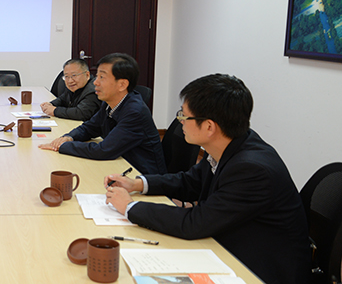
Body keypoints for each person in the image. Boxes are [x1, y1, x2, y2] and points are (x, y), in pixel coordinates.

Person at [105, 74, 309, 284]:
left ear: (209, 127)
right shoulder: (232, 142)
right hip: (230, 245)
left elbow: (196, 223)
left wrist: (130, 207)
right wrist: (137, 184)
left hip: (260, 270)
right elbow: (190, 181)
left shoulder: (252, 170)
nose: (180, 121)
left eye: (184, 116)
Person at [39, 53, 166, 175]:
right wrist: (69, 137)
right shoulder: (109, 102)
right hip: (120, 164)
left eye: (102, 77)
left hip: (142, 176)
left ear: (122, 85)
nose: (95, 82)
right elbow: (90, 127)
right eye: (97, 76)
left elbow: (103, 150)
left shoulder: (135, 112)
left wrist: (63, 146)